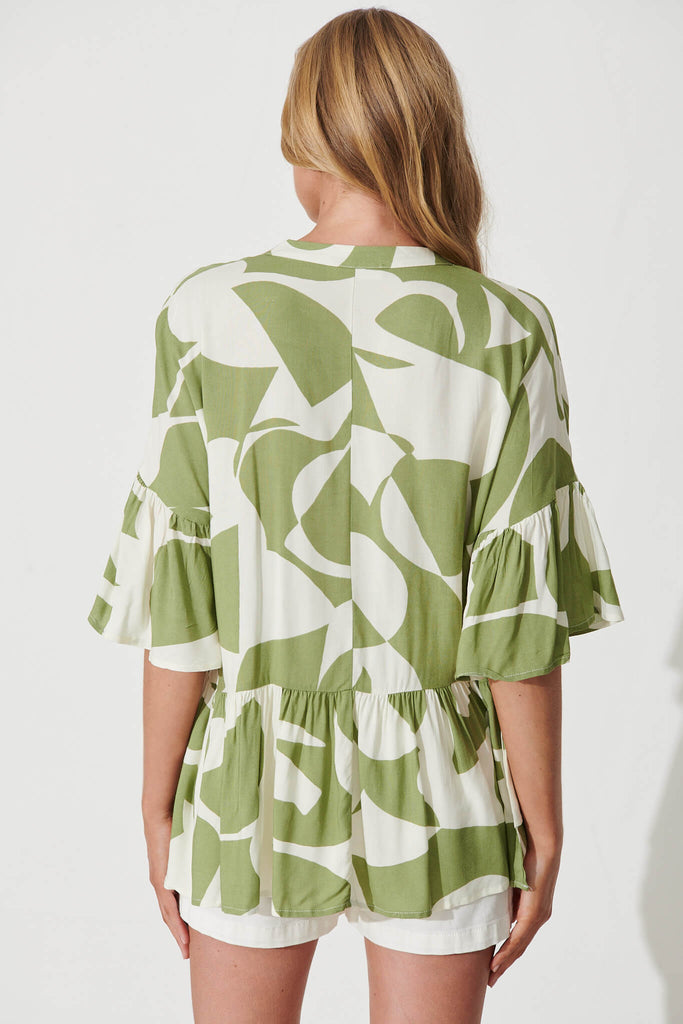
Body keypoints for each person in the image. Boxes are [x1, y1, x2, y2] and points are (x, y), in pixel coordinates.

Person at [86, 8, 625, 1023]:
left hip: (248, 781)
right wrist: (542, 824)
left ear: (306, 136)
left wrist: (157, 804)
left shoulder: (207, 313)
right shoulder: (502, 328)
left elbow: (182, 601)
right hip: (442, 783)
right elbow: (514, 626)